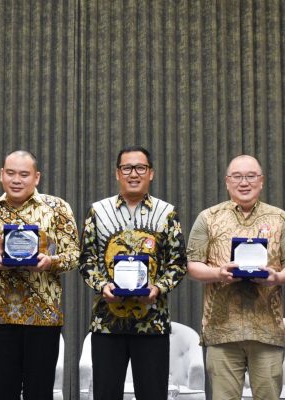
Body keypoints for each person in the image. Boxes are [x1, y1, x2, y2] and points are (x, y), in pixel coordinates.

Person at [0, 150, 80, 400]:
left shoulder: (57, 208)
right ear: (1, 175)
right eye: (11, 173)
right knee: (2, 393)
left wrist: (50, 262)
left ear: (36, 177)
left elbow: (74, 254)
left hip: (43, 317)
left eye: (24, 174)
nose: (16, 180)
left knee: (40, 393)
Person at [186, 155, 285, 400]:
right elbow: (192, 265)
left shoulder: (280, 218)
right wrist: (218, 273)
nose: (244, 182)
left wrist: (276, 278)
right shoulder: (208, 217)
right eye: (237, 176)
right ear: (227, 181)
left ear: (261, 181)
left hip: (267, 331)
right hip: (221, 330)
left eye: (251, 176)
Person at [79, 145, 187, 400]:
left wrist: (158, 288)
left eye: (140, 168)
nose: (134, 174)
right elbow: (86, 259)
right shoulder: (98, 211)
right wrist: (102, 286)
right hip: (107, 322)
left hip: (153, 323)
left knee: (153, 394)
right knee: (105, 395)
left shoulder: (167, 213)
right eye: (127, 168)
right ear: (118, 173)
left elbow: (178, 263)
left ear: (151, 173)